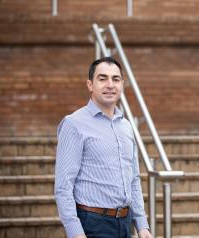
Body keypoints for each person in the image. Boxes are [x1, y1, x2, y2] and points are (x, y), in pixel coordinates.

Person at [54, 57, 152, 238]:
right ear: (90, 85)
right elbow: (63, 186)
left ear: (122, 84)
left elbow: (133, 179)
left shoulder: (127, 126)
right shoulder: (74, 124)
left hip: (125, 222)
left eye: (115, 79)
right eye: (102, 78)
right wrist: (75, 232)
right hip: (92, 223)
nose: (110, 85)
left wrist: (142, 224)